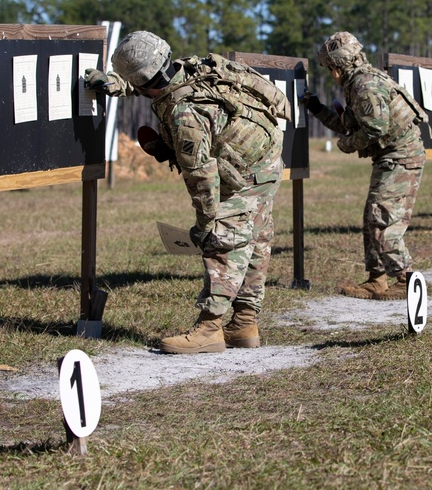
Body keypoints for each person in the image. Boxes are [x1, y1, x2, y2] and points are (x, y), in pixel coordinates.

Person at [84, 31, 288, 353]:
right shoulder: (188, 69)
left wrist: (206, 224)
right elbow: (150, 83)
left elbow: (202, 180)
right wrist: (114, 84)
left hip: (244, 172)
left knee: (224, 238)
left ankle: (210, 328)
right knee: (256, 236)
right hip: (267, 157)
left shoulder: (185, 117)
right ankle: (244, 324)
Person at [305, 31, 428, 300]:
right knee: (371, 217)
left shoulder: (365, 85)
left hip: (400, 157)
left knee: (382, 220)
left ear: (338, 66)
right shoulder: (359, 82)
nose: (330, 74)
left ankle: (406, 279)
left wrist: (346, 146)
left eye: (329, 69)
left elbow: (374, 128)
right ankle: (377, 279)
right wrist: (317, 108)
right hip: (391, 157)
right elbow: (349, 125)